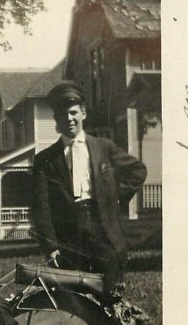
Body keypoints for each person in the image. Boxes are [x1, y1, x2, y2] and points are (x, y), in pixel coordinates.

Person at [32, 81, 147, 302]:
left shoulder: (104, 147)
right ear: (56, 119)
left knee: (110, 291)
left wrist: (113, 198)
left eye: (74, 112)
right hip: (69, 234)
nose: (69, 119)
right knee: (74, 298)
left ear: (83, 113)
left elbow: (137, 170)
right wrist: (51, 246)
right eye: (63, 114)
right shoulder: (45, 160)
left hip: (103, 227)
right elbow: (42, 206)